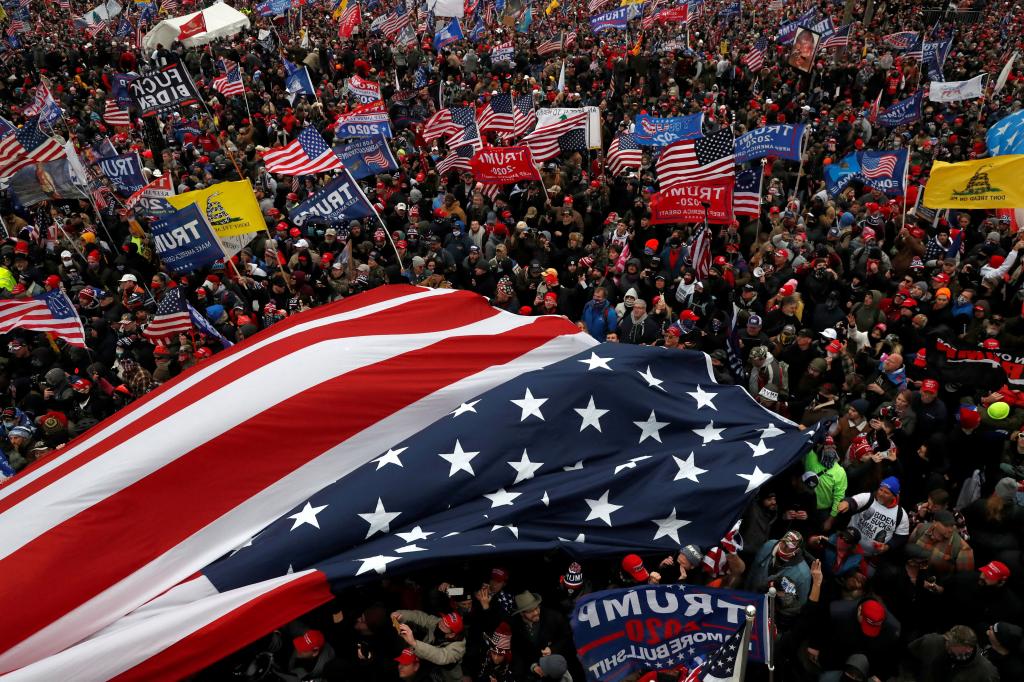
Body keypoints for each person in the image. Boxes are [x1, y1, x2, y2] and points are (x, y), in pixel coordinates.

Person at [904, 625, 1000, 682]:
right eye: (947, 641)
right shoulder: (931, 641)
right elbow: (910, 658)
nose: (946, 645)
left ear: (969, 649)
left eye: (952, 646)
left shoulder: (986, 672)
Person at [392, 610, 467, 682]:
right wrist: (400, 614)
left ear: (451, 635)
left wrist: (414, 643)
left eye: (444, 626)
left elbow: (441, 656)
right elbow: (420, 617)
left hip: (445, 677)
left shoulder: (458, 647)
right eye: (442, 620)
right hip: (426, 666)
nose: (440, 625)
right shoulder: (439, 623)